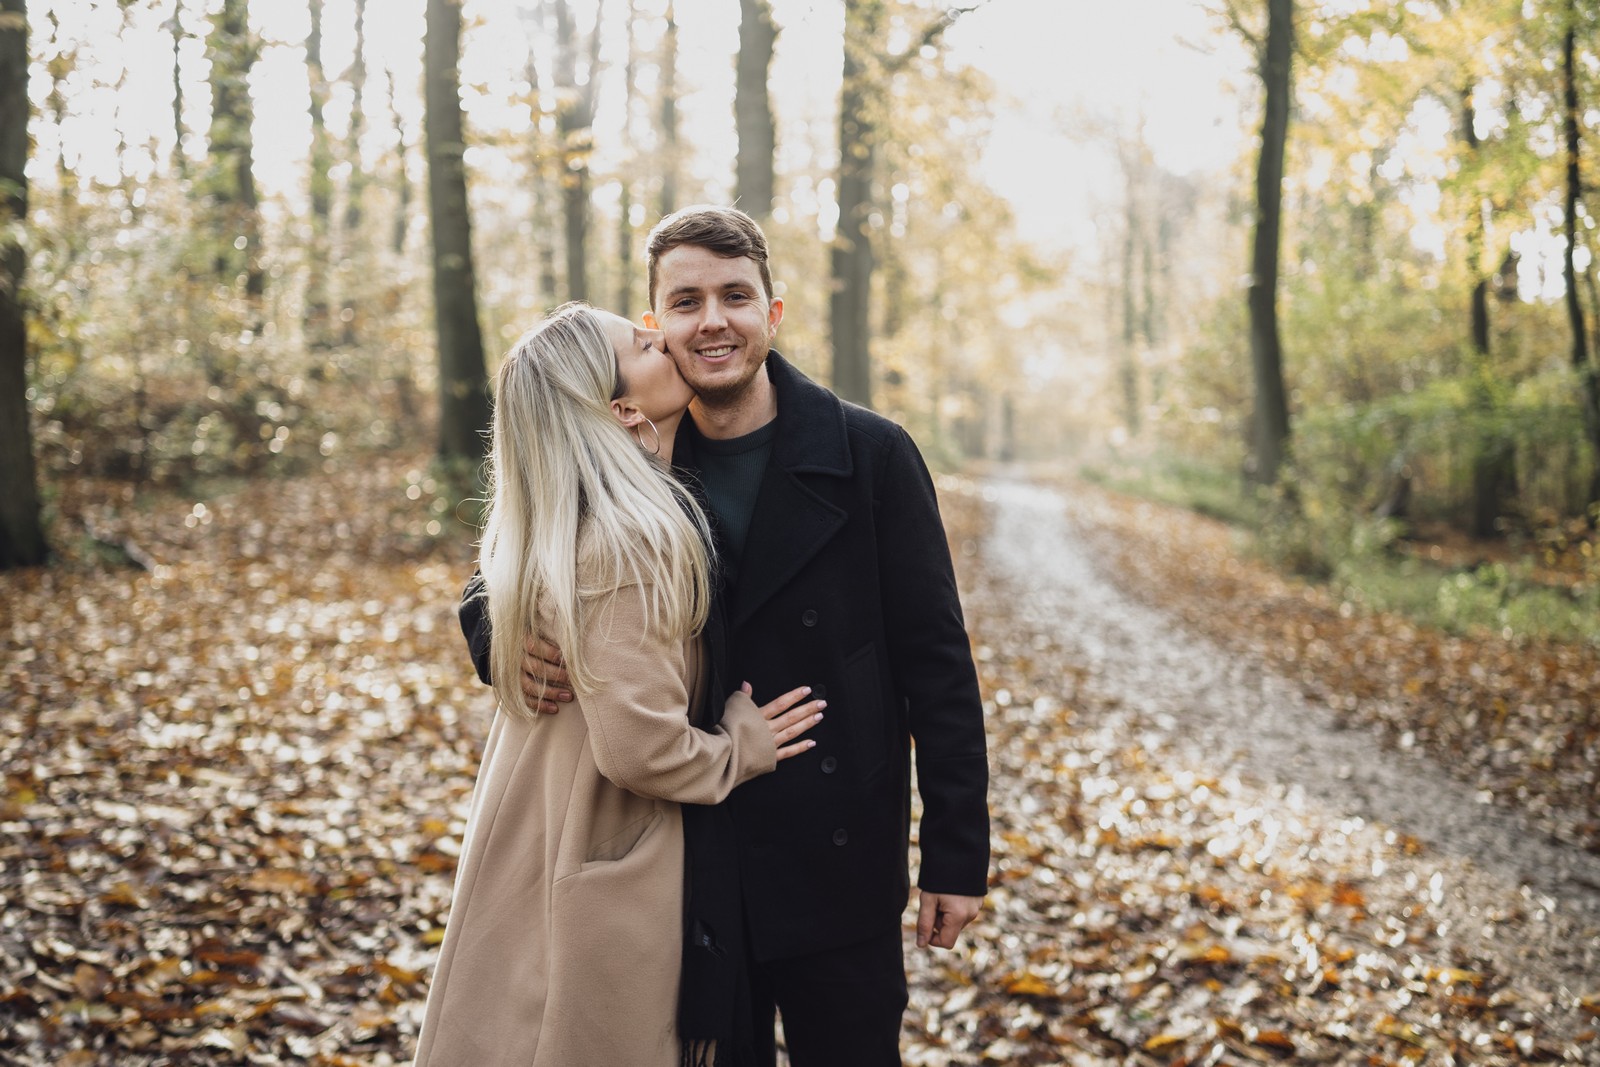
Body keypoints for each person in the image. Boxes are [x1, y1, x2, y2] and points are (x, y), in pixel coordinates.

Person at [460, 207, 991, 1067]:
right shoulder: (637, 455)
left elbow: (938, 663)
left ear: (772, 314)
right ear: (657, 327)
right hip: (695, 862)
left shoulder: (871, 454)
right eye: (687, 301)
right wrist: (492, 633)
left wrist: (957, 854)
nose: (713, 320)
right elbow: (527, 549)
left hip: (839, 854)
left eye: (736, 296)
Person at [415, 302, 826, 1067]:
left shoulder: (572, 519)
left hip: (548, 832)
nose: (663, 337)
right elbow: (641, 749)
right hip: (597, 842)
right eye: (643, 344)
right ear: (622, 408)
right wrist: (743, 745)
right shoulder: (628, 542)